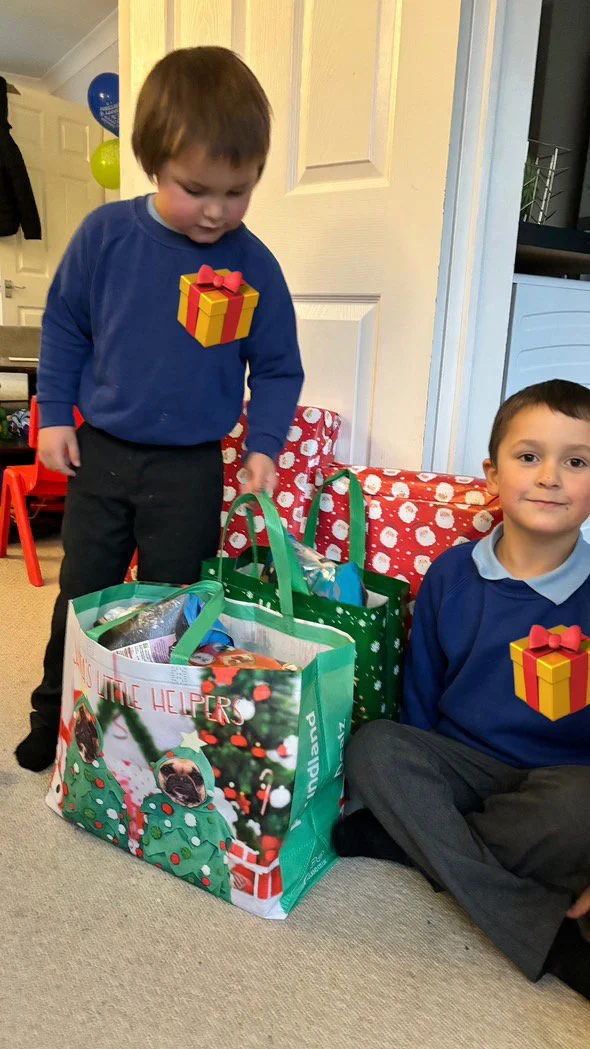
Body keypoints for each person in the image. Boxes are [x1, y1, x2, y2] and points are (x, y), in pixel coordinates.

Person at [16, 47, 304, 773]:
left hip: (192, 469)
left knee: (173, 606)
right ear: (151, 161)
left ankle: (148, 723)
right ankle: (54, 711)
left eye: (237, 192)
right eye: (196, 188)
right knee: (85, 594)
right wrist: (53, 416)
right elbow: (64, 327)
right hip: (102, 454)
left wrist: (263, 445)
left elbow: (276, 368)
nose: (216, 210)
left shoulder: (255, 264)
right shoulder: (104, 238)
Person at [334, 379, 590, 1001]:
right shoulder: (452, 573)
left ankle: (419, 841)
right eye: (529, 457)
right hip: (461, 765)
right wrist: (414, 778)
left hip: (561, 783)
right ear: (493, 473)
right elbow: (420, 692)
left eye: (577, 461)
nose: (550, 476)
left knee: (581, 808)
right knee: (375, 748)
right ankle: (545, 931)